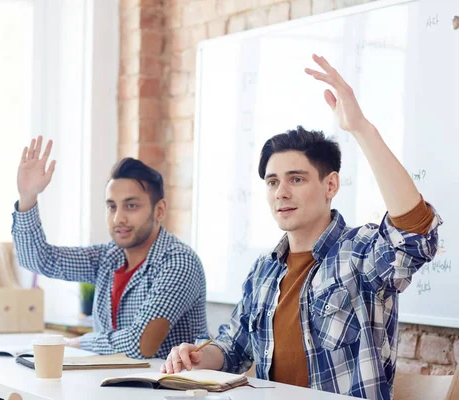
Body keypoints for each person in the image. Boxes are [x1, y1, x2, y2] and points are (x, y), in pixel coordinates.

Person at [161, 54, 441, 400]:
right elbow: (233, 347)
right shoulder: (263, 272)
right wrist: (200, 356)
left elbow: (416, 235)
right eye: (272, 182)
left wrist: (361, 129)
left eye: (296, 179)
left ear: (330, 185)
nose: (282, 193)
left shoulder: (358, 255)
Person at [12, 138, 207, 358]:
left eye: (131, 206)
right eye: (111, 207)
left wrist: (75, 343)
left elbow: (140, 343)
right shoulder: (108, 256)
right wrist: (27, 197)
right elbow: (37, 260)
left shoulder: (179, 262)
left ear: (159, 210)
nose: (118, 218)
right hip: (113, 385)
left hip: (168, 390)